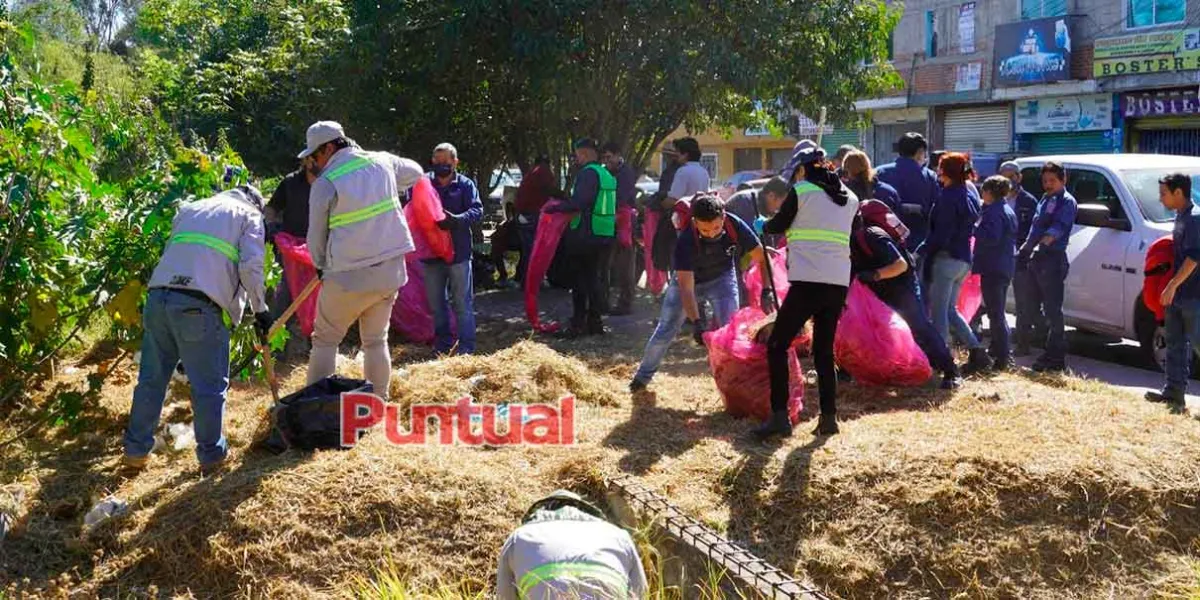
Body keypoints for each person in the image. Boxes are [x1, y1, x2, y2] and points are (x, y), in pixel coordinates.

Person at [122, 185, 270, 475]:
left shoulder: (191, 207)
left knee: (151, 381)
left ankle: (135, 453)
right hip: (197, 306)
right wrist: (261, 309)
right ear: (256, 203)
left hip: (158, 298)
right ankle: (212, 457)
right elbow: (251, 267)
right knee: (209, 388)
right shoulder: (250, 215)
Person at [302, 121, 424, 395]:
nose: (314, 162)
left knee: (324, 341)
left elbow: (315, 238)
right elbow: (416, 172)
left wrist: (320, 266)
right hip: (389, 273)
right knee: (376, 341)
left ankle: (315, 406)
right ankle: (378, 403)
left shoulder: (325, 183)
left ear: (330, 147)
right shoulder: (382, 161)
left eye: (315, 155)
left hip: (346, 276)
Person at [754, 141, 857, 439]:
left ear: (803, 169)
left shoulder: (802, 192)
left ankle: (779, 418)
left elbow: (777, 226)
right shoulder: (850, 198)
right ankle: (828, 419)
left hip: (808, 281)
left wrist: (764, 224)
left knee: (777, 344)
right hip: (837, 283)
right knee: (824, 352)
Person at [629, 193, 764, 391]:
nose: (711, 233)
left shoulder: (734, 225)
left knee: (730, 332)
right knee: (666, 329)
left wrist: (767, 289)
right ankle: (641, 378)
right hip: (689, 282)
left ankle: (735, 380)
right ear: (694, 222)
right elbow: (686, 288)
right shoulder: (685, 242)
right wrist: (697, 322)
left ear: (724, 217)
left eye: (716, 228)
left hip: (722, 279)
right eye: (705, 229)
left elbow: (761, 257)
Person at [852, 201, 961, 389]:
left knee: (919, 326)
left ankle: (950, 370)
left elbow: (900, 265)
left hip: (901, 286)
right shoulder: (851, 237)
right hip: (882, 287)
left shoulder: (872, 235)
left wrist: (874, 275)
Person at [496, 490, 648, 599]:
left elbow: (504, 595)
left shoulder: (520, 536)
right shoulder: (619, 536)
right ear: (585, 511)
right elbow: (640, 592)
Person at [918, 153, 991, 375]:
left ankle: (943, 363)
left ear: (945, 171)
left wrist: (920, 251)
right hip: (962, 261)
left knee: (939, 314)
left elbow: (940, 234)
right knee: (950, 311)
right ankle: (978, 352)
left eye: (940, 168)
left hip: (945, 260)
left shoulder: (948, 197)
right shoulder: (968, 195)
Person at [546, 138, 616, 336]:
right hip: (605, 232)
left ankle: (578, 323)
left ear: (584, 154)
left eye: (577, 155)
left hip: (587, 232)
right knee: (594, 278)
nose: (576, 159)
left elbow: (580, 203)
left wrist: (555, 207)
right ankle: (595, 322)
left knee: (580, 280)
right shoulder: (605, 173)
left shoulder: (588, 173)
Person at [425, 142, 483, 355]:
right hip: (431, 255)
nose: (441, 165)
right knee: (436, 305)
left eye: (446, 162)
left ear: (455, 162)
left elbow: (477, 211)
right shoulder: (424, 185)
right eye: (437, 161)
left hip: (459, 253)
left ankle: (466, 350)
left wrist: (456, 220)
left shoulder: (465, 185)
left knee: (462, 303)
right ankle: (443, 347)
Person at [1147, 173, 1199, 410]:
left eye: (1163, 194)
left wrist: (1171, 285)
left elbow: (1194, 258)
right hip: (1178, 295)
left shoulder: (1195, 219)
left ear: (1179, 193)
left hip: (1194, 296)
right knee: (1175, 344)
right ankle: (1173, 394)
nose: (1161, 199)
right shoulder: (1180, 217)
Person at [1020, 161, 1077, 373]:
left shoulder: (1067, 202)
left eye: (1052, 180)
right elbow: (1035, 227)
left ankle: (1056, 356)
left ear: (1063, 180)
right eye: (1045, 181)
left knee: (1053, 310)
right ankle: (1047, 349)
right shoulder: (1045, 199)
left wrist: (1041, 246)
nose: (1048, 184)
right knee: (1032, 306)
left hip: (1052, 258)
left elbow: (1057, 228)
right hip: (1038, 258)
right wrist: (1026, 249)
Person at [974, 176, 1019, 371]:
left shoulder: (993, 212)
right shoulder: (1007, 209)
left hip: (993, 266)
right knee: (997, 312)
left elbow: (991, 237)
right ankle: (1002, 353)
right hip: (1004, 265)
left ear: (989, 192)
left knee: (996, 314)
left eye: (983, 191)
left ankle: (1003, 356)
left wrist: (975, 229)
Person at [999, 161, 1042, 356]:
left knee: (1023, 302)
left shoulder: (1029, 201)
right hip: (999, 257)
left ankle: (1023, 343)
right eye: (1005, 176)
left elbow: (1034, 231)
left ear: (1019, 177)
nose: (1009, 181)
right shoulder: (996, 199)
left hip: (1021, 259)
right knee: (996, 299)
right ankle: (998, 343)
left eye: (1012, 176)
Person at [875, 132, 940, 252]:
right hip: (918, 243)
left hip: (884, 240)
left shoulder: (879, 172)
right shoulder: (929, 176)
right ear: (920, 152)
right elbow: (936, 209)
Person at [602, 142, 639, 315]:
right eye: (604, 158)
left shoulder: (626, 172)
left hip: (624, 223)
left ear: (617, 155)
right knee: (605, 264)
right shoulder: (606, 171)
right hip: (608, 222)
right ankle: (603, 301)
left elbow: (621, 198)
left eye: (609, 157)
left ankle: (626, 303)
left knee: (625, 266)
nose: (606, 161)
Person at [514, 156, 560, 283]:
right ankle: (532, 281)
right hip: (531, 215)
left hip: (521, 214)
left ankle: (524, 279)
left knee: (528, 250)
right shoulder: (543, 171)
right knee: (535, 250)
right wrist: (566, 198)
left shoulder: (531, 173)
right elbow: (550, 189)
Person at [663, 137, 710, 209]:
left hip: (684, 215)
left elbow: (673, 199)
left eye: (678, 151)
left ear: (685, 154)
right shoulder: (704, 171)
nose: (676, 154)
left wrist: (658, 204)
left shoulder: (683, 171)